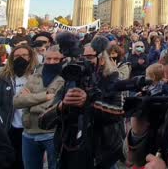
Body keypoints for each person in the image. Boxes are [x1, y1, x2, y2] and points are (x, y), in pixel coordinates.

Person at [38, 38, 125, 169]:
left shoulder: (111, 80)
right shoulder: (68, 82)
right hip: (68, 151)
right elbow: (43, 121)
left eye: (89, 57)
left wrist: (88, 102)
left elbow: (119, 112)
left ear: (101, 59)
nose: (83, 61)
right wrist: (62, 106)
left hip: (101, 153)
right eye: (80, 57)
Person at [13, 46, 65, 169]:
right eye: (49, 59)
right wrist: (45, 96)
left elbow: (54, 106)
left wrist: (30, 101)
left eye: (56, 59)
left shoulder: (65, 77)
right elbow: (17, 101)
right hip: (29, 132)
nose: (51, 62)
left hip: (52, 133)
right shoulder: (35, 76)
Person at [0, 44, 39, 169]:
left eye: (24, 55)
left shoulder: (38, 76)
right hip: (11, 125)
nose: (21, 58)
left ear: (30, 57)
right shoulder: (3, 76)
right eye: (17, 55)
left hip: (30, 126)